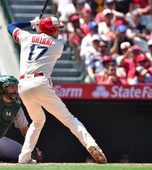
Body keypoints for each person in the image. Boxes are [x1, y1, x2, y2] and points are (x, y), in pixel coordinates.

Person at [7, 16, 107, 164]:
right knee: (68, 119)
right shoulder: (57, 44)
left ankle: (24, 157)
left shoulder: (26, 37)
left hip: (23, 86)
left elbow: (11, 26)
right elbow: (43, 40)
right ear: (49, 29)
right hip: (40, 83)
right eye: (56, 29)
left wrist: (31, 23)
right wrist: (39, 27)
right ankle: (91, 144)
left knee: (38, 120)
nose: (58, 31)